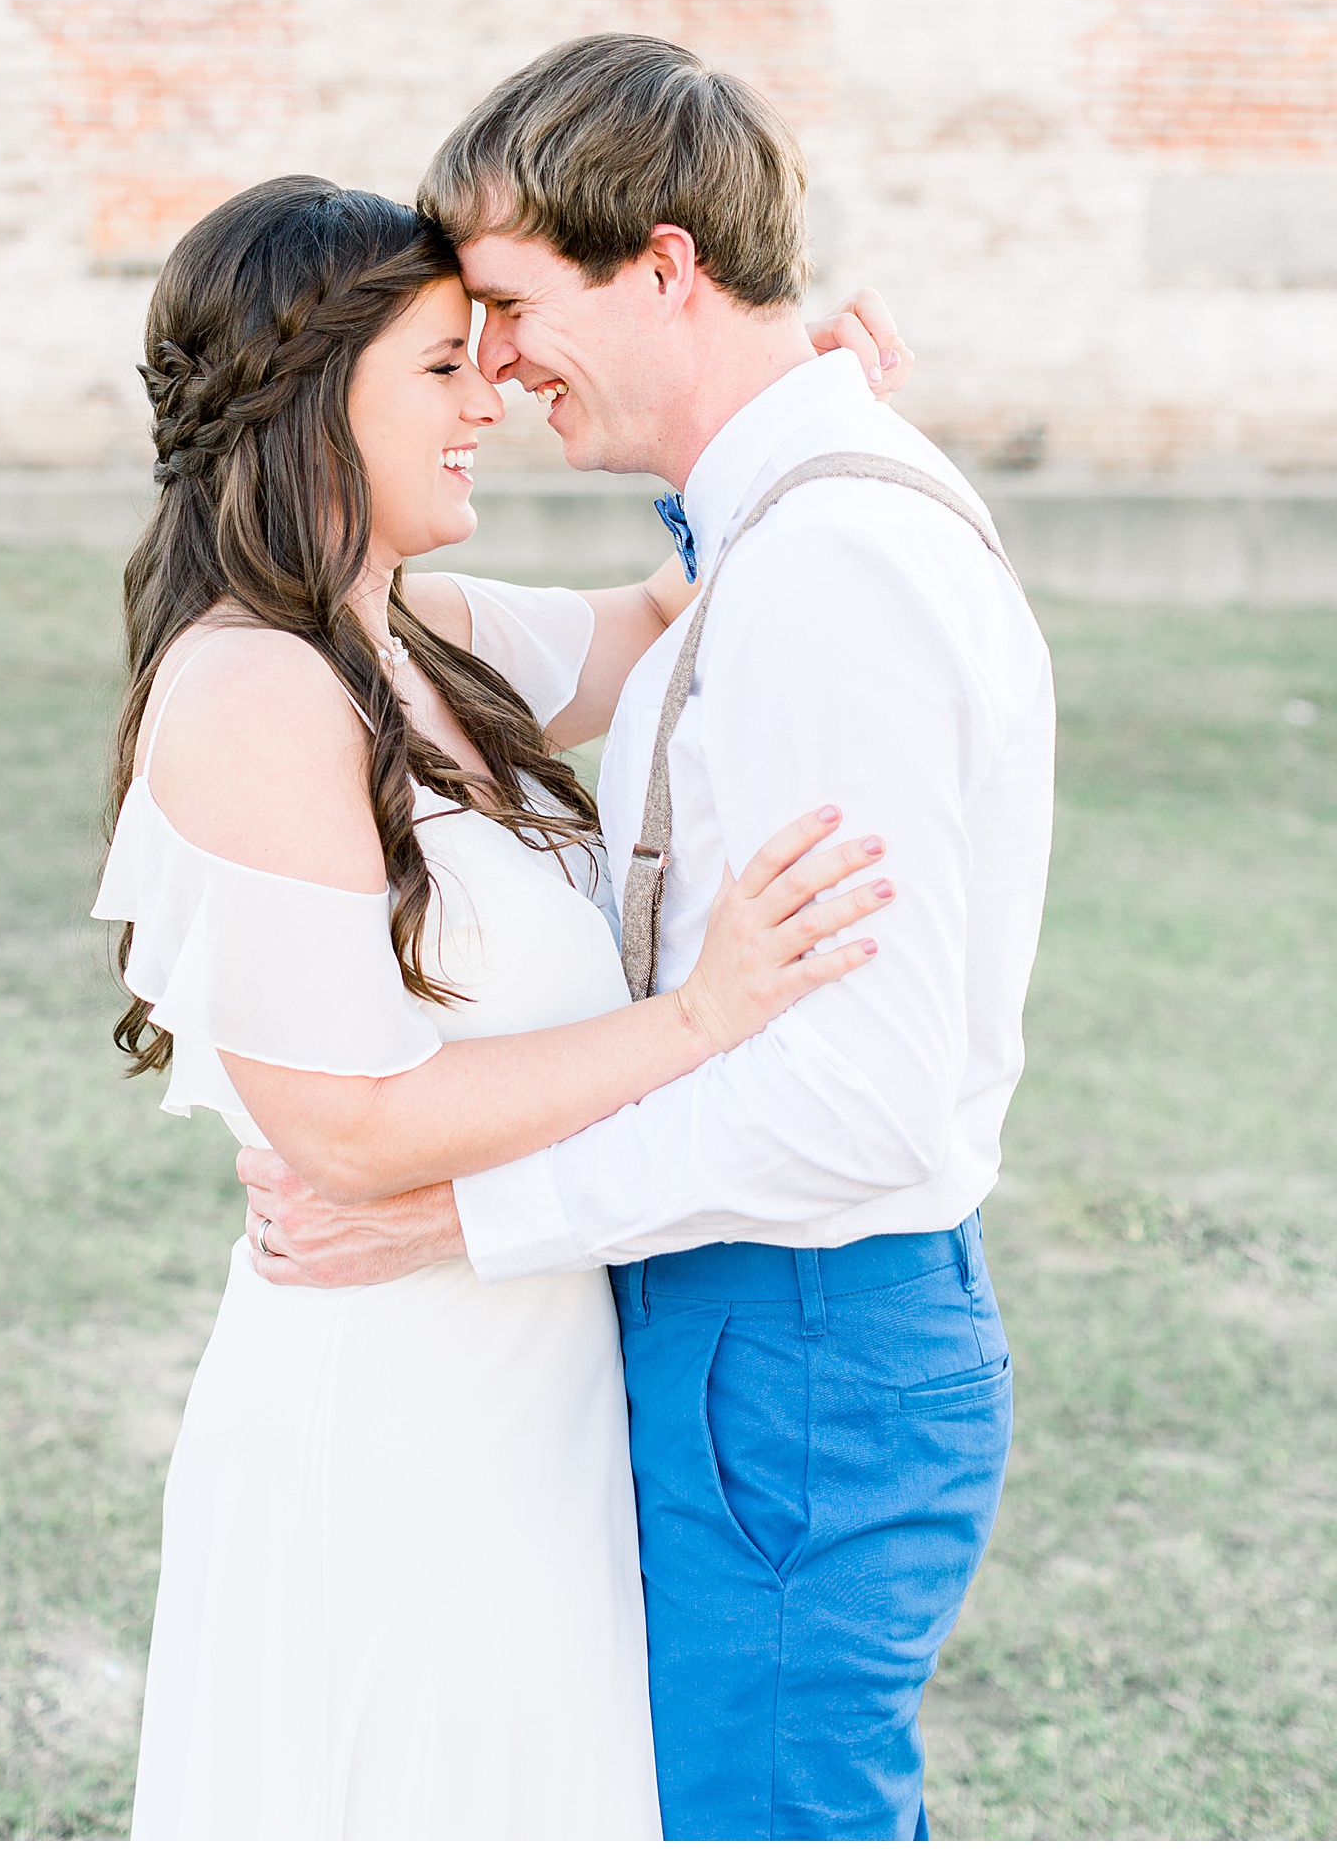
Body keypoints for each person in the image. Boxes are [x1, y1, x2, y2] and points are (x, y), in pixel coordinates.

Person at [239, 36, 1057, 1843]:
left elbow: (860, 1105)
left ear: (665, 265)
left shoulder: (835, 566)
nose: (499, 362)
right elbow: (660, 607)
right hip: (745, 1320)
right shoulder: (786, 529)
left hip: (794, 1333)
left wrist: (459, 1220)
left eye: (517, 306)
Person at [95, 173, 902, 1841]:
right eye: (443, 367)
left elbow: (671, 619)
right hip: (390, 1413)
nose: (491, 402)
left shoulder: (419, 639)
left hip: (532, 1382)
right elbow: (346, 1126)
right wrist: (700, 1016)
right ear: (317, 394)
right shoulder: (253, 686)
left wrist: (798, 412)